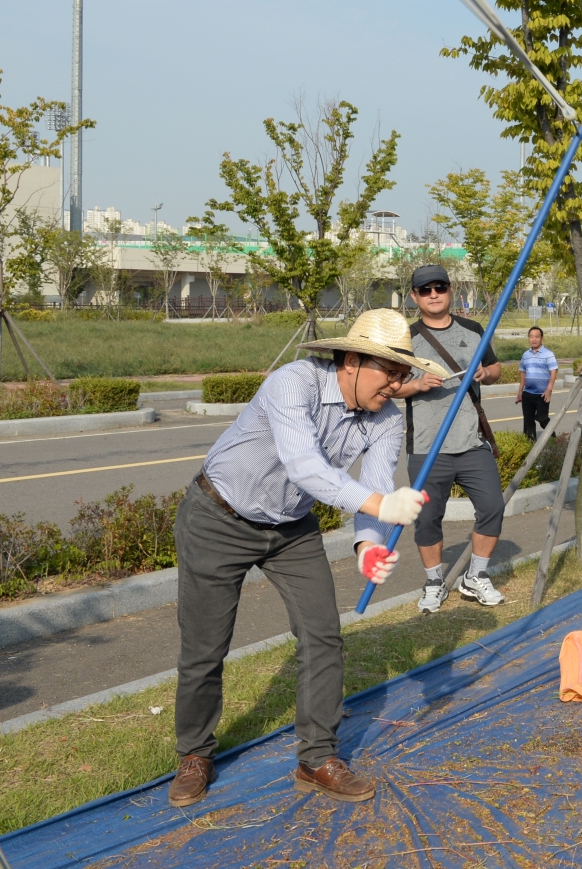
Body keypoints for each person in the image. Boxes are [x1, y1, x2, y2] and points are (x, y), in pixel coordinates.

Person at [168, 309, 444, 808]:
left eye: (403, 374)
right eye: (390, 372)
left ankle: (316, 759)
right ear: (352, 360)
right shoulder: (293, 383)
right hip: (218, 516)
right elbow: (305, 467)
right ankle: (194, 753)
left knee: (323, 635)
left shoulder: (385, 418)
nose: (396, 385)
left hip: (291, 527)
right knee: (205, 647)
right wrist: (382, 506)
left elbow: (375, 483)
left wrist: (368, 546)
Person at [392, 265, 506, 613]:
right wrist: (416, 385)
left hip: (471, 442)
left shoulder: (473, 330)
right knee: (427, 518)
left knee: (493, 507)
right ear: (414, 296)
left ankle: (476, 576)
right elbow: (390, 387)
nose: (433, 294)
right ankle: (434, 582)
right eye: (425, 290)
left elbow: (496, 369)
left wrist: (485, 372)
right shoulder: (405, 338)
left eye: (439, 287)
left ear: (450, 290)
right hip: (427, 447)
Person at [516, 325, 559, 440]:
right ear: (528, 338)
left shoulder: (548, 354)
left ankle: (554, 438)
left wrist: (549, 390)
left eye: (537, 337)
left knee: (542, 418)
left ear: (541, 338)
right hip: (528, 393)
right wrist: (520, 391)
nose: (534, 339)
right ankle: (530, 444)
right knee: (528, 421)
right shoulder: (525, 355)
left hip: (542, 394)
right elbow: (523, 373)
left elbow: (553, 373)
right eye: (531, 337)